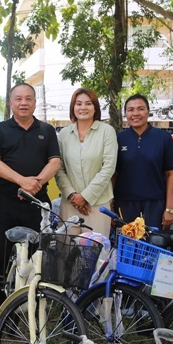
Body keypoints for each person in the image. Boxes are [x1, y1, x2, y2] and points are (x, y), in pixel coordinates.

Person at [0, 83, 61, 304]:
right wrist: (22, 182)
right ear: (11, 102)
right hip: (6, 201)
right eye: (18, 99)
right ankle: (3, 302)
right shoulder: (0, 129)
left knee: (38, 252)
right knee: (3, 250)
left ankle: (33, 299)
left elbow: (55, 162)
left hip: (37, 202)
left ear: (35, 102)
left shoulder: (46, 130)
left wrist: (35, 184)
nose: (23, 103)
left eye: (28, 98)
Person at [55, 87, 117, 238]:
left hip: (98, 204)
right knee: (66, 248)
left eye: (88, 103)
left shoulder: (107, 131)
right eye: (78, 104)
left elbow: (108, 168)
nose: (83, 107)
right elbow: (58, 168)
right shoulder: (64, 134)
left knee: (95, 249)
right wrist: (73, 196)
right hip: (69, 204)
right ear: (73, 107)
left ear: (95, 108)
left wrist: (85, 197)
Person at [114, 93, 173, 229]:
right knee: (127, 242)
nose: (135, 114)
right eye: (130, 110)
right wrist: (111, 204)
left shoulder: (163, 138)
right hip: (125, 204)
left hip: (155, 205)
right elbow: (113, 174)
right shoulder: (118, 139)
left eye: (140, 109)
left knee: (154, 242)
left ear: (148, 112)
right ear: (125, 114)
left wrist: (169, 208)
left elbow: (171, 174)